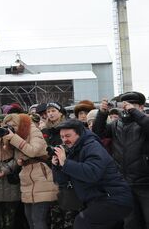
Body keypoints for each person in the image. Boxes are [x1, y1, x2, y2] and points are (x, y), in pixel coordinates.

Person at [51, 119, 133, 229]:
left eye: (68, 136)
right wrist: (57, 166)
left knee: (83, 222)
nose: (65, 140)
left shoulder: (92, 146)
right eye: (62, 137)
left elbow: (92, 173)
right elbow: (63, 182)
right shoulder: (73, 150)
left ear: (79, 134)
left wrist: (66, 163)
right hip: (98, 200)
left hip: (113, 198)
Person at [93, 91, 149, 229]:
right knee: (130, 222)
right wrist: (102, 113)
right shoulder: (115, 125)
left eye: (133, 104)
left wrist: (134, 112)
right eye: (124, 104)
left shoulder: (144, 122)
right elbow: (97, 133)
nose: (127, 107)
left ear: (141, 107)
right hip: (123, 183)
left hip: (145, 182)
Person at [1, 113, 57, 229]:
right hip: (27, 178)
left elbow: (33, 151)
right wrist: (2, 142)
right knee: (30, 219)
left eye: (13, 125)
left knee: (38, 219)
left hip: (41, 177)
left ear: (20, 124)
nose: (11, 128)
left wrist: (13, 138)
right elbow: (10, 157)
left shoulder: (33, 130)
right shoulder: (17, 135)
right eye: (8, 126)